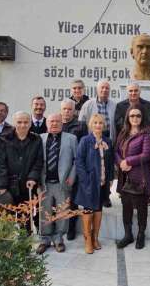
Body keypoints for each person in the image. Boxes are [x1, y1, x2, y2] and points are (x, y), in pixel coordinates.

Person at [36, 113, 77, 255]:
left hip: (63, 182)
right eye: (52, 121)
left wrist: (72, 177)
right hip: (44, 183)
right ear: (47, 124)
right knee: (44, 212)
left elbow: (76, 160)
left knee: (62, 212)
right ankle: (45, 239)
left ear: (62, 123)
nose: (54, 124)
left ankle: (59, 239)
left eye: (57, 121)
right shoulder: (39, 139)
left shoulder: (71, 139)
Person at [115, 104, 150, 250]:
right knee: (126, 206)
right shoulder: (123, 133)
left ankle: (141, 234)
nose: (135, 118)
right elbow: (116, 152)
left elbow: (147, 154)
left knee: (141, 208)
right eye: (132, 115)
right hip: (124, 176)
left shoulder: (147, 134)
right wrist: (121, 163)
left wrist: (129, 161)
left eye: (138, 115)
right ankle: (128, 234)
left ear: (142, 117)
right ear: (128, 117)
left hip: (140, 177)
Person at [0, 111, 43, 232]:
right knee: (6, 221)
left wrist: (33, 177)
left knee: (25, 219)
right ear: (14, 123)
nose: (22, 125)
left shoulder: (36, 139)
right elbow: (0, 163)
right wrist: (2, 187)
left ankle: (25, 246)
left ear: (30, 123)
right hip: (7, 187)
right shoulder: (4, 138)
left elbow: (38, 162)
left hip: (26, 186)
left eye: (26, 122)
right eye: (19, 122)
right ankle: (6, 249)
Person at [75, 114, 114, 254]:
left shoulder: (108, 141)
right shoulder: (85, 140)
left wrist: (110, 179)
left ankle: (95, 238)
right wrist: (85, 179)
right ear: (91, 125)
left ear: (104, 125)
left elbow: (110, 163)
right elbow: (79, 161)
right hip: (89, 182)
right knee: (88, 210)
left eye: (100, 123)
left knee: (98, 210)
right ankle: (88, 240)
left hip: (102, 182)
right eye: (95, 123)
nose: (98, 125)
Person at [79, 80, 117, 208]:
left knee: (105, 165)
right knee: (95, 166)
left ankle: (105, 196)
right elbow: (82, 123)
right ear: (97, 89)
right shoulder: (88, 104)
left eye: (107, 88)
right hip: (93, 137)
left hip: (107, 137)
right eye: (102, 88)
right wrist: (86, 139)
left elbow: (116, 123)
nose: (104, 90)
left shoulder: (113, 105)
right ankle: (92, 194)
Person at [60, 98, 88, 240]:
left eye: (69, 109)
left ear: (74, 111)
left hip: (75, 167)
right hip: (59, 168)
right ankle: (59, 226)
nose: (67, 111)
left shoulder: (80, 126)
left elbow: (84, 148)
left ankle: (71, 227)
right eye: (64, 109)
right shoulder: (56, 124)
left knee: (73, 200)